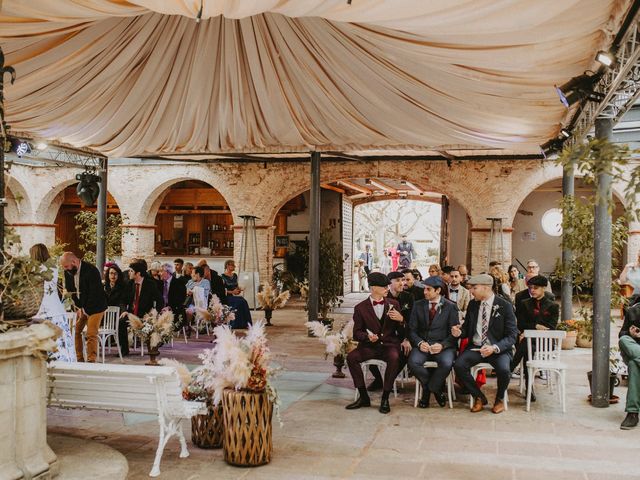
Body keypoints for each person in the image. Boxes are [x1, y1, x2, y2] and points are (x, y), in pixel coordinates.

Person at [452, 274, 518, 414]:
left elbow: (512, 335)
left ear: (486, 288)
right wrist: (459, 332)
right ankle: (479, 397)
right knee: (459, 365)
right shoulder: (473, 304)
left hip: (497, 348)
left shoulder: (505, 306)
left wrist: (495, 347)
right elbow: (467, 328)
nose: (471, 291)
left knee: (504, 370)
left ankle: (500, 398)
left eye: (474, 288)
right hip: (476, 347)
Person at [346, 272, 404, 414]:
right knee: (351, 357)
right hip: (369, 347)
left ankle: (385, 398)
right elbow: (357, 333)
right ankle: (363, 396)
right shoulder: (360, 308)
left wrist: (401, 320)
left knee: (395, 357)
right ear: (373, 288)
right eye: (384, 286)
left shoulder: (394, 304)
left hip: (389, 346)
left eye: (387, 286)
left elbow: (402, 333)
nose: (387, 288)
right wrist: (367, 337)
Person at [408, 276, 459, 408]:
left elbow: (454, 334)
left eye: (428, 289)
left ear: (438, 290)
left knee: (447, 363)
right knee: (413, 362)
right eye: (424, 289)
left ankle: (427, 390)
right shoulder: (418, 305)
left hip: (443, 346)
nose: (424, 292)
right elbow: (411, 330)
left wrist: (442, 345)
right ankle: (435, 390)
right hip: (423, 345)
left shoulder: (451, 306)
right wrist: (419, 343)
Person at [511, 275, 559, 402]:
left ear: (543, 288)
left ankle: (510, 367)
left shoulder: (553, 306)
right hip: (528, 343)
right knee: (528, 349)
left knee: (526, 345)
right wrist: (536, 326)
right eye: (530, 288)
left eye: (536, 288)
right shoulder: (524, 304)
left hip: (545, 342)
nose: (532, 290)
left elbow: (550, 328)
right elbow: (520, 324)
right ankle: (529, 388)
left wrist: (529, 331)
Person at [367, 271, 414, 392]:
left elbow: (413, 321)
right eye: (398, 280)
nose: (402, 283)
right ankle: (378, 379)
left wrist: (407, 338)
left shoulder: (408, 297)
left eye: (403, 280)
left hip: (404, 333)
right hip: (386, 334)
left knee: (405, 351)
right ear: (389, 283)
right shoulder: (383, 297)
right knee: (368, 348)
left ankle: (390, 379)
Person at [31, 244, 76, 362]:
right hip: (57, 309)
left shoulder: (34, 270)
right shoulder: (54, 268)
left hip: (43, 310)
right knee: (62, 342)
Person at [60, 252, 108, 363]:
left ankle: (91, 360)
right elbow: (70, 291)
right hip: (82, 306)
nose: (65, 269)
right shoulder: (68, 272)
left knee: (91, 332)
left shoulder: (91, 270)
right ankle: (79, 358)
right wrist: (78, 307)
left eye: (66, 266)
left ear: (74, 262)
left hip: (97, 306)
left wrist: (85, 310)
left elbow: (94, 293)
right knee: (76, 331)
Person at [120, 261, 163, 355]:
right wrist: (125, 311)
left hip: (145, 314)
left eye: (131, 271)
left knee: (152, 324)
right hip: (131, 314)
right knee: (121, 321)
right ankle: (124, 350)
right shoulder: (130, 283)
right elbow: (123, 300)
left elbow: (160, 301)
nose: (129, 273)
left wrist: (153, 313)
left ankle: (152, 349)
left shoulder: (150, 284)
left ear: (138, 273)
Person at [619, 304, 640, 429]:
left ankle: (632, 413)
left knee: (634, 365)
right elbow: (622, 334)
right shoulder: (633, 310)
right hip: (636, 349)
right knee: (624, 340)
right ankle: (632, 413)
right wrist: (631, 333)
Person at [221, 260, 253, 329]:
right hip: (227, 297)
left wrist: (239, 289)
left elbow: (236, 286)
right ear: (227, 266)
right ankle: (236, 324)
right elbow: (223, 291)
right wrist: (232, 292)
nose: (234, 266)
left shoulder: (235, 275)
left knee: (243, 300)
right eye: (232, 265)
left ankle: (245, 323)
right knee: (241, 301)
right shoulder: (222, 277)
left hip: (233, 296)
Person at [159, 263, 187, 329]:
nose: (160, 273)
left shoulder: (179, 283)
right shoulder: (159, 283)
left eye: (161, 271)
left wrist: (169, 307)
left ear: (167, 272)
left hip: (175, 309)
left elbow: (180, 300)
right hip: (161, 309)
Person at [184, 265, 212, 333]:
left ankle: (187, 326)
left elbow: (205, 294)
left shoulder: (205, 282)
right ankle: (187, 326)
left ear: (198, 274)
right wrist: (188, 291)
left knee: (189, 308)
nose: (191, 275)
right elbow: (184, 289)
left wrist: (194, 291)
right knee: (188, 309)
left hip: (200, 304)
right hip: (190, 302)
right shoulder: (190, 281)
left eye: (193, 274)